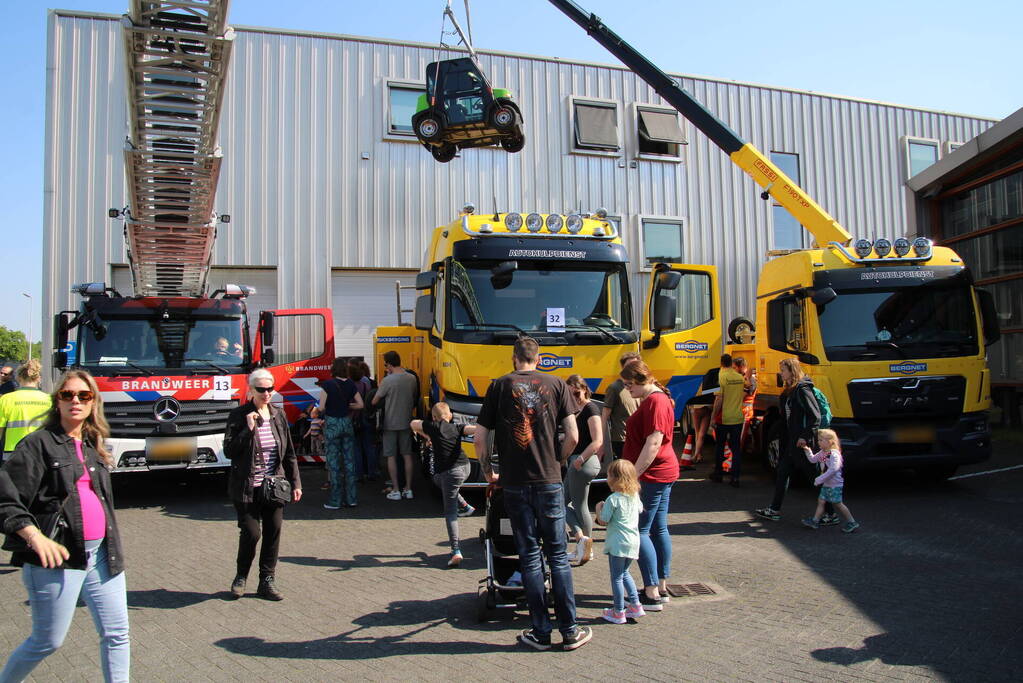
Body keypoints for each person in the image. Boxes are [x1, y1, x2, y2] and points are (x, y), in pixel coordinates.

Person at [0, 370, 130, 682]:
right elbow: (6, 498)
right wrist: (34, 536)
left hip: (102, 555)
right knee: (47, 641)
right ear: (56, 401)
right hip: (59, 558)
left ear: (93, 402)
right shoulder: (38, 444)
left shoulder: (92, 443)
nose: (76, 401)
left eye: (84, 396)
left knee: (117, 634)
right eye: (67, 394)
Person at [474, 336, 592, 652]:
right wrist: (558, 461)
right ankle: (570, 630)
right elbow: (573, 435)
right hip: (549, 480)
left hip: (513, 482)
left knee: (528, 555)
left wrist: (488, 473)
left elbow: (481, 438)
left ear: (514, 358)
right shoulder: (557, 384)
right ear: (538, 358)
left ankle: (540, 632)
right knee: (558, 556)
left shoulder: (499, 386)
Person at [223, 368, 303, 601]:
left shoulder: (279, 415)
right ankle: (241, 576)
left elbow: (289, 453)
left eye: (270, 389)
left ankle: (267, 581)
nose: (267, 393)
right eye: (261, 389)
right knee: (251, 532)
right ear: (251, 390)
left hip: (274, 486)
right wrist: (248, 429)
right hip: (247, 486)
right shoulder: (239, 415)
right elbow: (229, 451)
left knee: (273, 532)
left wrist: (296, 483)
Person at [619, 359, 679, 612]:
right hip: (662, 472)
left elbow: (653, 443)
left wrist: (633, 475)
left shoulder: (655, 402)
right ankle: (660, 586)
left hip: (653, 475)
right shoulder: (656, 399)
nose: (627, 389)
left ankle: (652, 592)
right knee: (658, 528)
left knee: (639, 530)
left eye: (628, 384)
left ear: (639, 380)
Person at [410, 402, 477, 568]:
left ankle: (456, 551)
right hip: (465, 467)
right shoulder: (456, 427)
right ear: (450, 416)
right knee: (438, 480)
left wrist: (426, 435)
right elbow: (473, 429)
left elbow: (413, 423)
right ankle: (466, 506)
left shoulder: (433, 426)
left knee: (450, 513)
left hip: (450, 472)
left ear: (434, 417)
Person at [755, 358, 821, 522]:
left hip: (801, 443)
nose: (781, 373)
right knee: (783, 473)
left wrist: (804, 436)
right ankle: (774, 509)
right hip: (792, 441)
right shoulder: (789, 391)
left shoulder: (802, 389)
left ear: (792, 371)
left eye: (783, 370)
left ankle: (831, 512)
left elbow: (815, 416)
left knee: (814, 476)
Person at [594, 459, 645, 624]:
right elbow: (640, 509)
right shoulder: (634, 496)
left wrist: (598, 508)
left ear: (615, 479)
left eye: (609, 475)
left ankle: (618, 611)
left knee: (616, 577)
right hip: (633, 541)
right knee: (625, 573)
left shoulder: (613, 499)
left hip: (618, 543)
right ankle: (635, 605)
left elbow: (603, 520)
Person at [564, 374, 603, 565]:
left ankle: (586, 545)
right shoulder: (575, 410)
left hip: (583, 462)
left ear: (585, 390)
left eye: (577, 393)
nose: (575, 397)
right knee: (562, 502)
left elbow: (597, 440)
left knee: (579, 505)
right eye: (570, 394)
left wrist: (580, 459)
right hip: (577, 461)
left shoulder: (590, 408)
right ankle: (582, 541)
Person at [372, 351, 418, 501]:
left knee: (391, 456)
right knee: (407, 455)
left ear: (389, 364)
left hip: (390, 423)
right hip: (407, 421)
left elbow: (374, 401)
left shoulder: (388, 380)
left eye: (385, 364)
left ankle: (396, 489)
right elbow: (414, 396)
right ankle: (409, 489)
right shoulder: (411, 378)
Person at [319, 358, 364, 510]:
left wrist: (316, 410)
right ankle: (352, 499)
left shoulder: (327, 385)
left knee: (334, 463)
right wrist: (347, 405)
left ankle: (335, 500)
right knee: (349, 462)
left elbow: (322, 407)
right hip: (346, 423)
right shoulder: (351, 384)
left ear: (333, 369)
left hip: (332, 424)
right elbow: (361, 404)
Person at [800, 429, 859, 533]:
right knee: (821, 501)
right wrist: (807, 451)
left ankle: (852, 522)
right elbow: (813, 459)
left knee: (838, 504)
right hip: (827, 484)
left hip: (835, 485)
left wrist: (819, 479)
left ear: (830, 442)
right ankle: (815, 521)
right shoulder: (823, 452)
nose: (818, 442)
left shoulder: (834, 454)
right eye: (818, 440)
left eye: (821, 440)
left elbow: (833, 469)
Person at [0, 360, 51, 463]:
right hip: (41, 451)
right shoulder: (49, 400)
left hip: (12, 452)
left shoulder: (6, 399)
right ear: (38, 378)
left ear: (19, 378)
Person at [709, 354, 745, 487]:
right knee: (736, 449)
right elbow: (747, 390)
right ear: (731, 363)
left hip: (723, 418)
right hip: (737, 417)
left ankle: (718, 474)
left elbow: (719, 399)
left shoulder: (721, 376)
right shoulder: (739, 377)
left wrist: (713, 417)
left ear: (721, 363)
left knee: (720, 447)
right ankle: (735, 477)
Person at [601, 351, 640, 460]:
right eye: (629, 366)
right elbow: (604, 416)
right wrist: (601, 443)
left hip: (638, 438)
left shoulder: (639, 388)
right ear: (623, 368)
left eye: (635, 365)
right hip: (621, 440)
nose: (632, 368)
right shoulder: (614, 388)